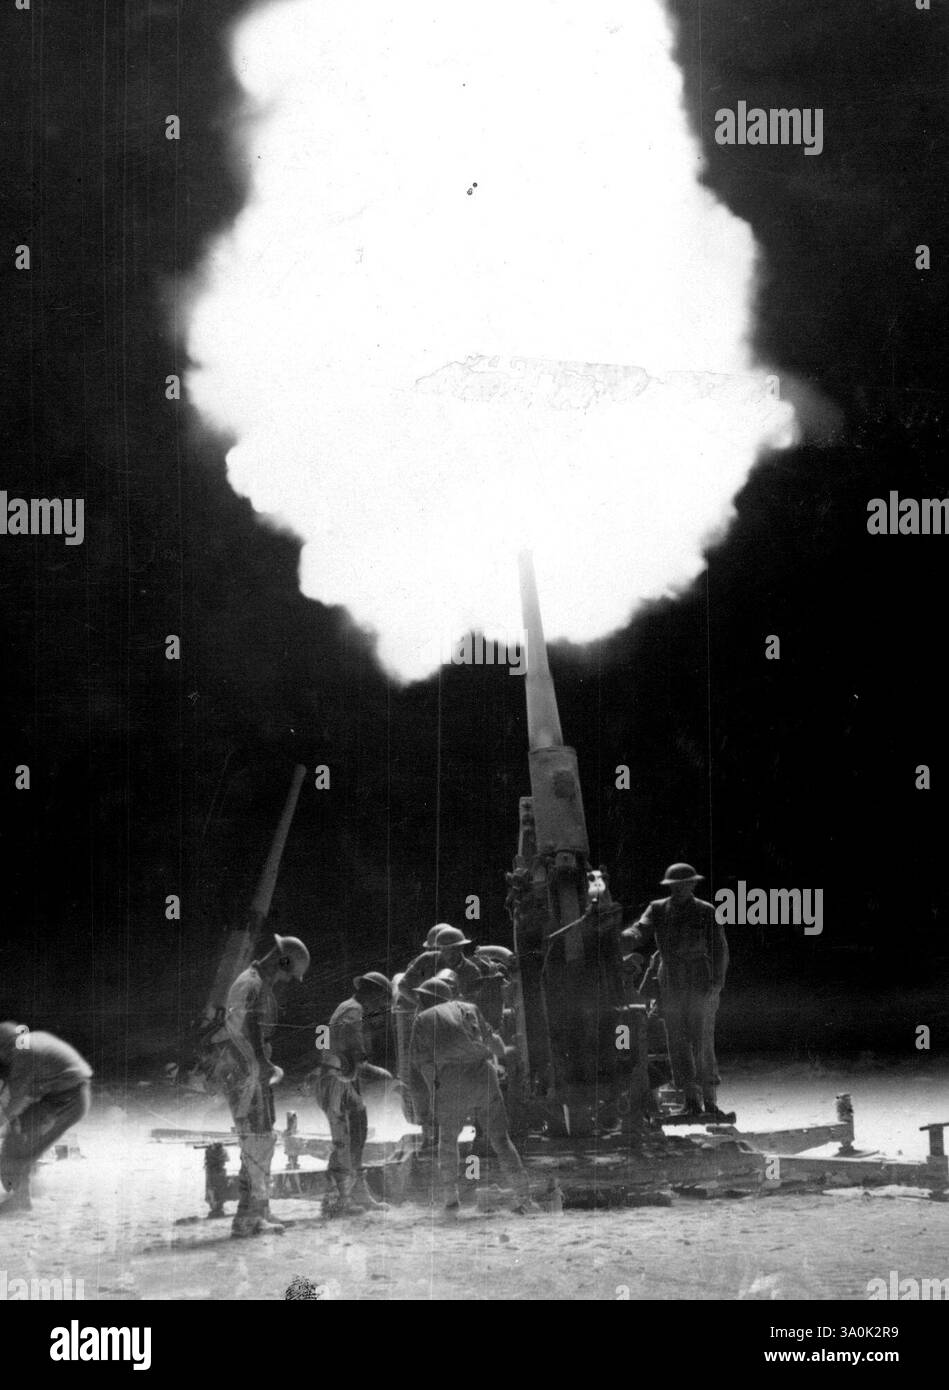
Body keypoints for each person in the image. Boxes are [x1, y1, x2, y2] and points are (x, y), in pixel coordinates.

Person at [409, 977, 536, 1216]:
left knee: (447, 1142)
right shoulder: (468, 1008)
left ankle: (450, 1200)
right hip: (482, 1074)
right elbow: (493, 1042)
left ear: (427, 999)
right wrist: (503, 1059)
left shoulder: (421, 1020)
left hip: (448, 1081)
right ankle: (523, 1196)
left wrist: (427, 1103)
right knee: (501, 1140)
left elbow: (419, 1065)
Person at [221, 933, 310, 1237]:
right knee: (258, 1143)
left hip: (248, 1072)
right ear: (282, 962)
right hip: (248, 1074)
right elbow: (251, 1032)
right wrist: (263, 1065)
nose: (285, 980)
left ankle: (258, 1210)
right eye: (287, 974)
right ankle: (249, 1217)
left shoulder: (251, 981)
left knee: (258, 1142)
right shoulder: (255, 985)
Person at [624, 863, 728, 1117]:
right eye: (675, 885)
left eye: (685, 884)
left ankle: (710, 1101)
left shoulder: (706, 911)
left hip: (699, 980)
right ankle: (690, 1101)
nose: (680, 889)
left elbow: (719, 949)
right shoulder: (658, 908)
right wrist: (627, 937)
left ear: (693, 884)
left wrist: (716, 984)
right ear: (669, 887)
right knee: (677, 1043)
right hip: (670, 980)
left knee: (702, 1041)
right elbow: (641, 928)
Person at [0, 1024, 92, 1213]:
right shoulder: (33, 1040)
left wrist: (2, 1121)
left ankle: (19, 1199)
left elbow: (17, 1100)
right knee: (23, 1138)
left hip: (68, 1101)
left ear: (5, 1045)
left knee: (18, 1140)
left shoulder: (23, 1053)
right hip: (70, 1096)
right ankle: (26, 1188)